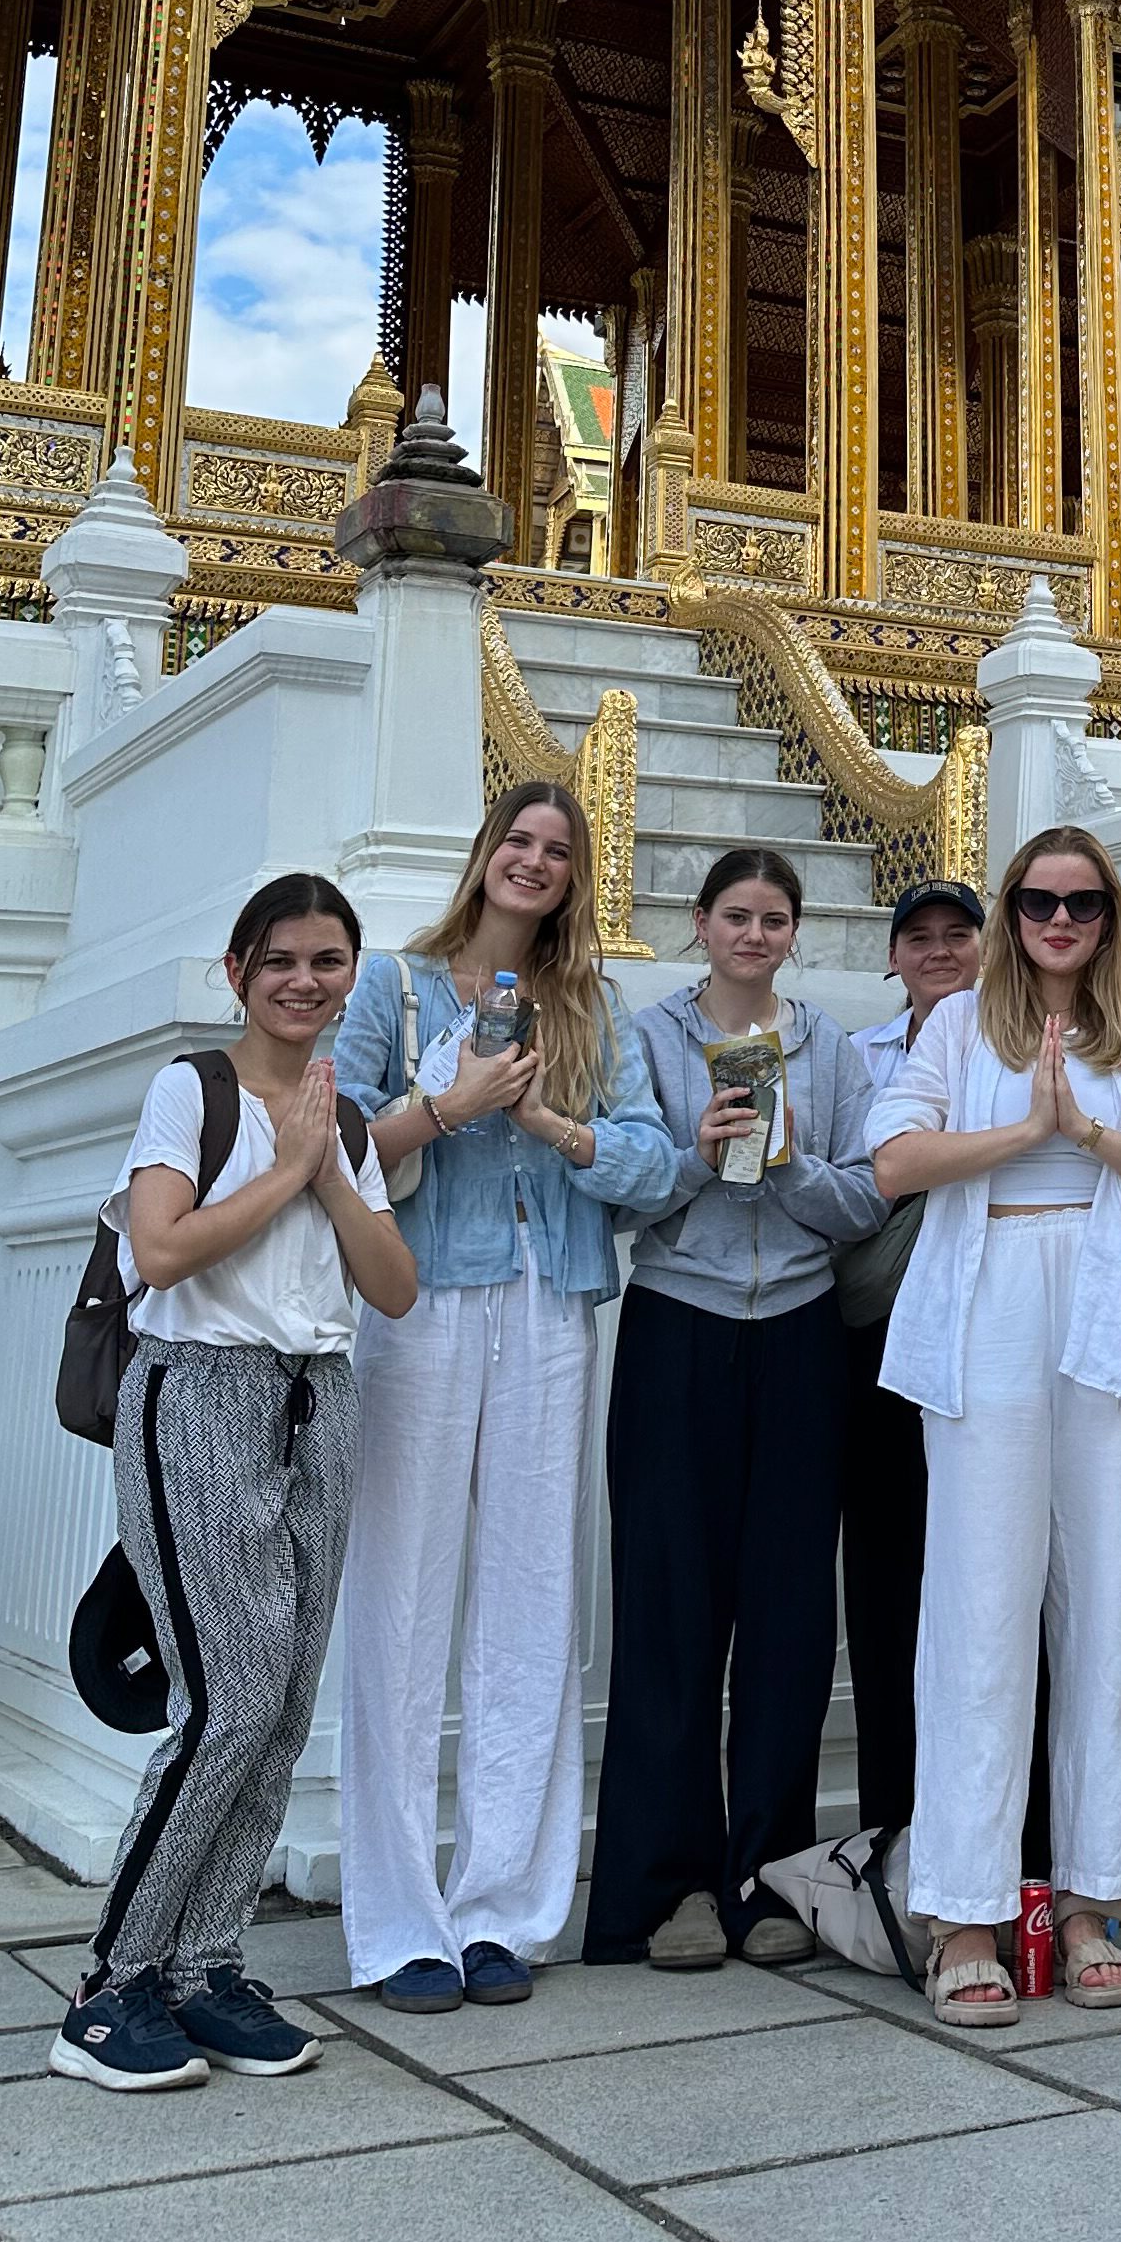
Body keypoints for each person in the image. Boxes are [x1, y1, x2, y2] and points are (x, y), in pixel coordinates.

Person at [54, 875, 417, 2093]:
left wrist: (325, 1166)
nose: (304, 983)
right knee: (224, 1701)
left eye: (328, 962)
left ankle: (203, 1966)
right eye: (282, 963)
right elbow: (159, 1248)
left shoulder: (347, 1120)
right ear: (237, 972)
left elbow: (394, 1284)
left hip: (321, 1401)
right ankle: (112, 1986)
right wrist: (289, 1166)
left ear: (351, 975)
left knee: (283, 1704)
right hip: (199, 1390)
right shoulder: (193, 1091)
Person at [333, 782, 674, 2018]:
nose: (533, 863)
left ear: (578, 877)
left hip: (552, 1302)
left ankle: (504, 1910)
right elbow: (333, 1144)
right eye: (517, 843)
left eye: (557, 851)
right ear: (483, 857)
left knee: (533, 1603)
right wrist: (446, 1108)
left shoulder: (593, 1006)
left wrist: (546, 1122)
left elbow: (653, 1164)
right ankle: (394, 1919)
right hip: (419, 1301)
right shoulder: (396, 983)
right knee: (402, 1599)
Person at [869, 825, 1121, 2025]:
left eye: (1082, 904)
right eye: (1038, 902)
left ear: (1112, 918)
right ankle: (965, 1910)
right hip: (987, 1307)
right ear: (1012, 912)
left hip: (1111, 1310)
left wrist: (1090, 1136)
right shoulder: (961, 1025)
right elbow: (895, 1158)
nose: (1060, 922)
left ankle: (1090, 1900)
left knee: (1108, 1604)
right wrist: (1026, 1133)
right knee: (979, 1605)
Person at [583, 846, 883, 1969]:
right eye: (736, 916)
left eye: (774, 919)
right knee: (669, 1610)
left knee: (791, 1617)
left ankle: (767, 1879)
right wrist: (700, 1155)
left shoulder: (832, 1049)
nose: (754, 935)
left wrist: (792, 1161)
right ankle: (669, 1889)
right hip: (679, 1324)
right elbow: (615, 1189)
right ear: (699, 924)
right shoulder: (648, 1039)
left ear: (795, 936)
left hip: (801, 1334)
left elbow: (862, 1200)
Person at [838, 876, 987, 1829]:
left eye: (956, 936)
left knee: (989, 1575)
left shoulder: (1014, 1045)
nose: (938, 952)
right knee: (891, 1578)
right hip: (888, 1330)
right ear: (892, 956)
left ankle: (994, 1823)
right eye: (918, 937)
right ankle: (896, 1819)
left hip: (993, 1324)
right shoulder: (857, 1059)